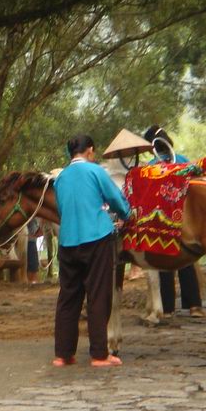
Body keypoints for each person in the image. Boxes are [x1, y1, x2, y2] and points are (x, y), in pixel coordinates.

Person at [53, 134, 130, 367]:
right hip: (96, 239)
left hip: (67, 241)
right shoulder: (96, 172)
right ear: (90, 151)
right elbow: (115, 199)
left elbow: (62, 206)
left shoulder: (61, 178)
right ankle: (99, 354)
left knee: (68, 297)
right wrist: (127, 214)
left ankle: (63, 354)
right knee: (98, 295)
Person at [141, 125, 205, 318]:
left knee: (163, 262)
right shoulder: (184, 161)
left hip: (160, 221)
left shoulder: (149, 167)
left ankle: (167, 308)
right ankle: (194, 306)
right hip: (184, 218)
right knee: (186, 260)